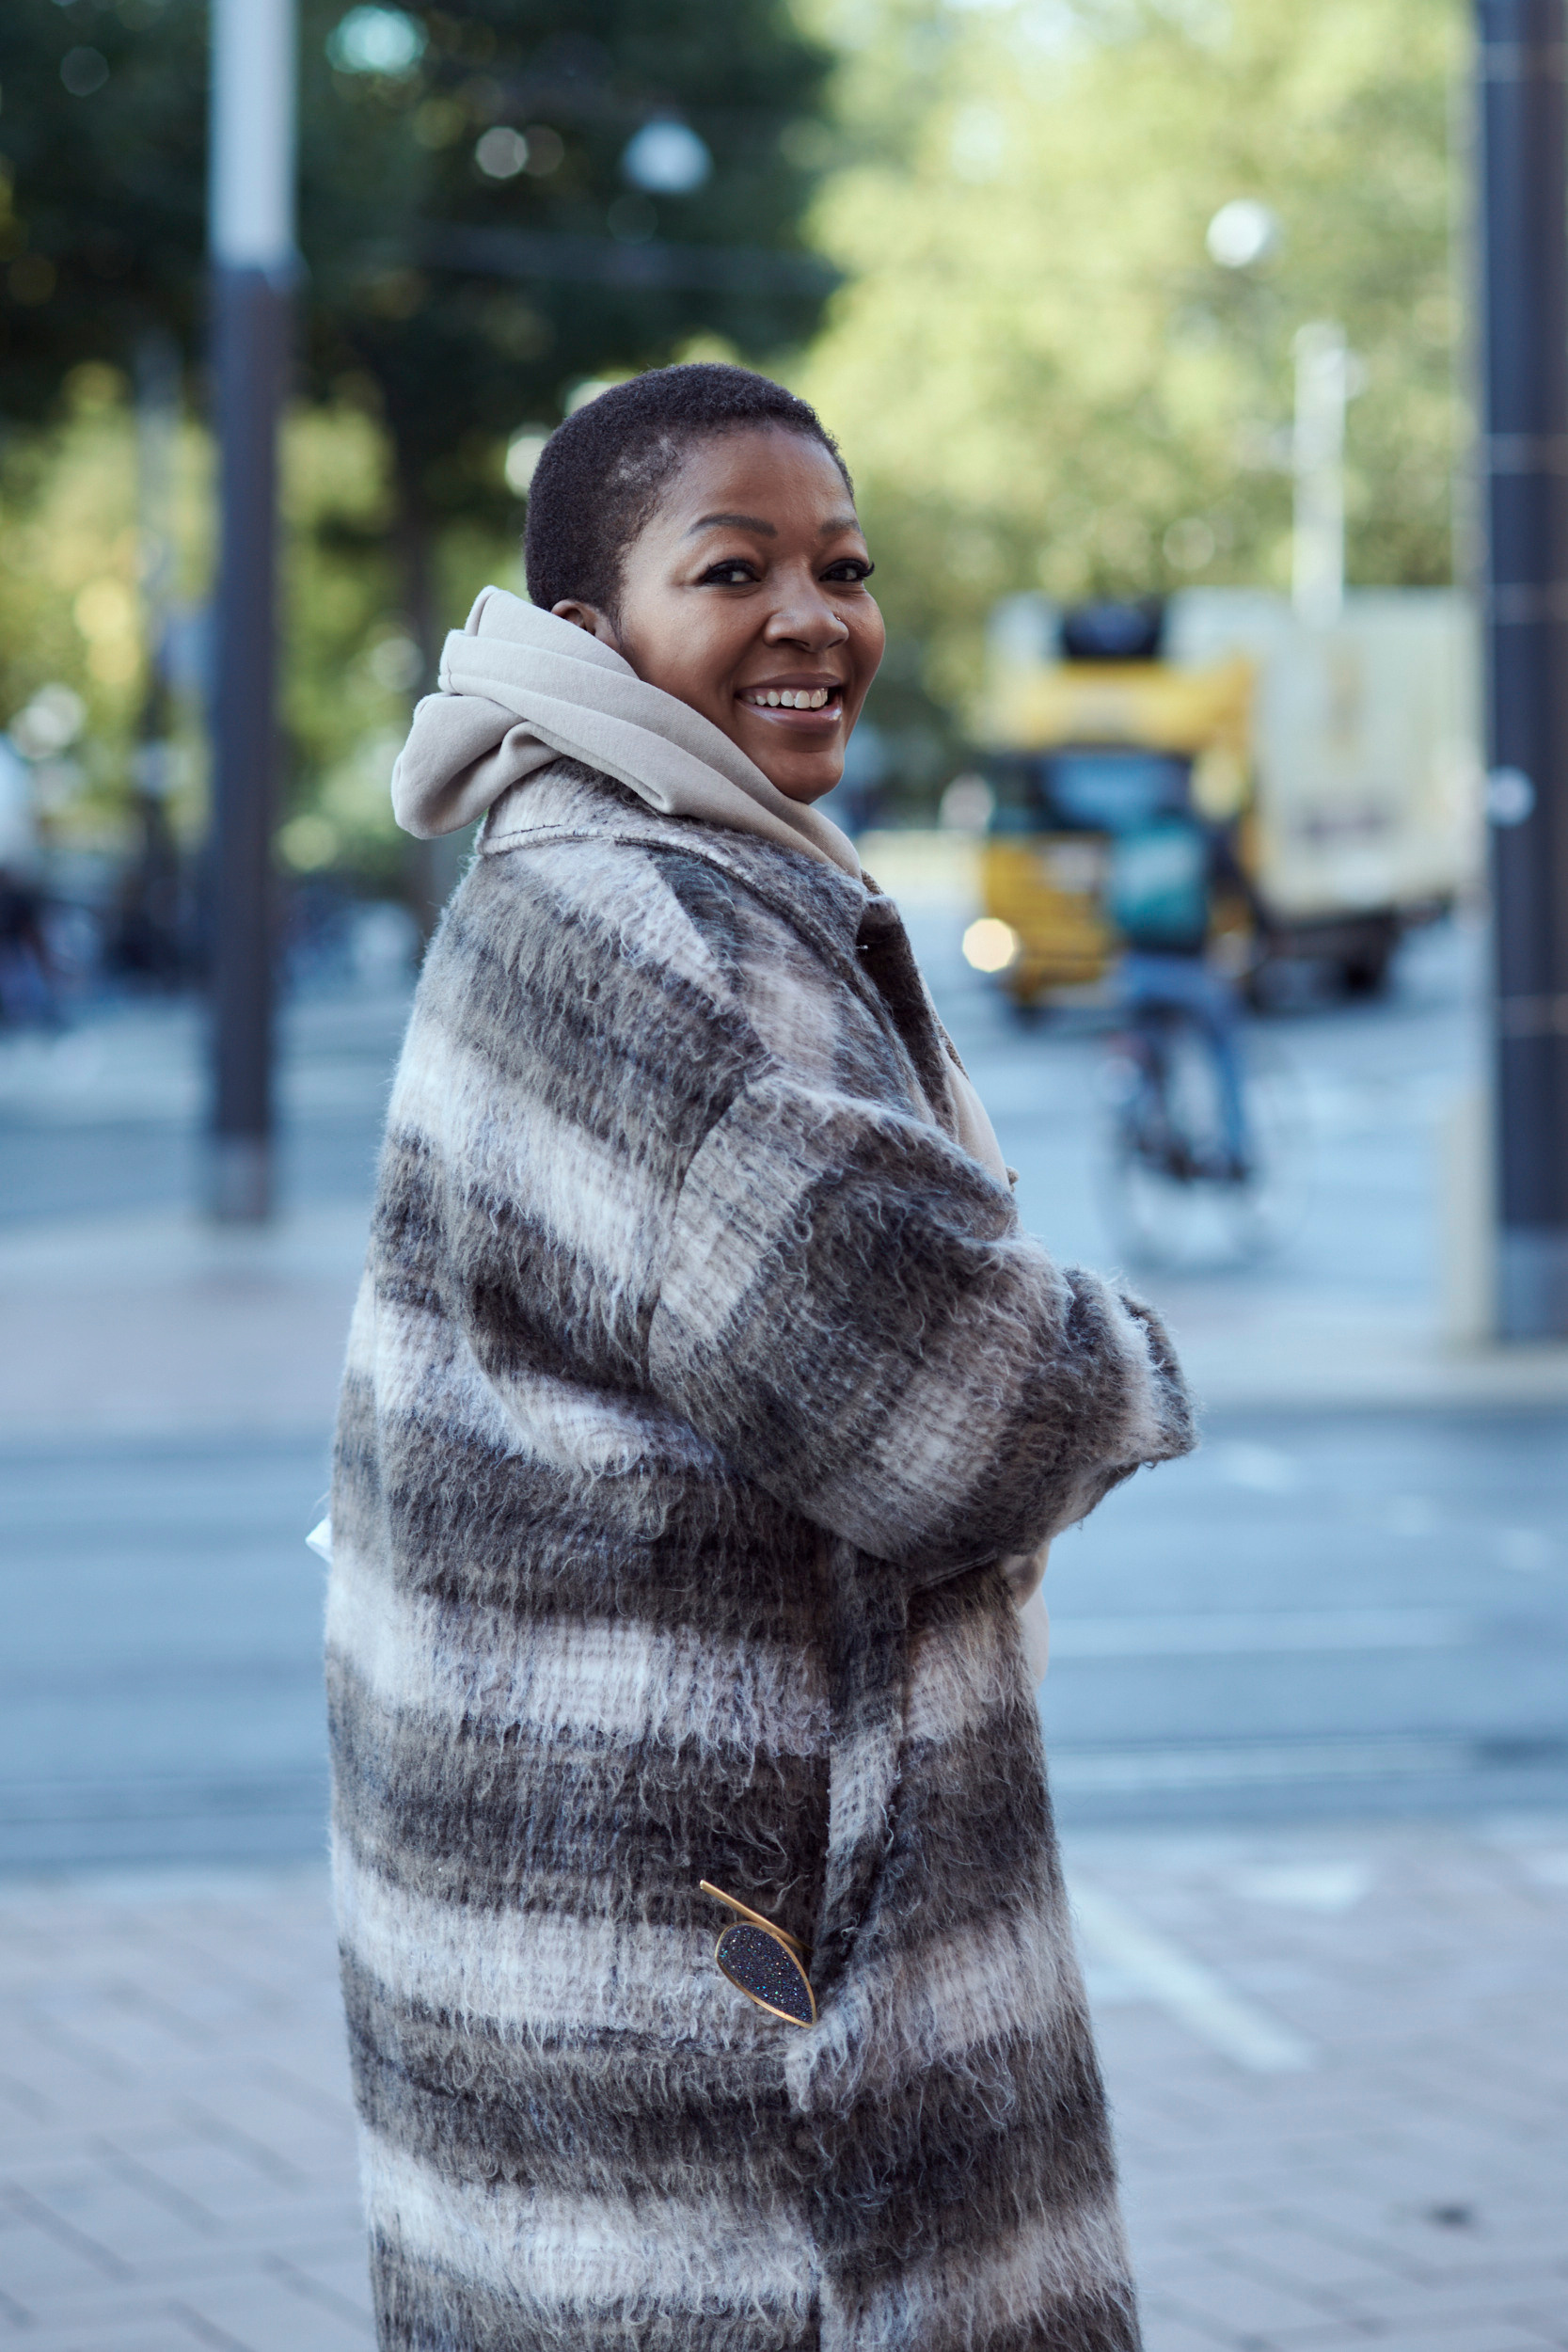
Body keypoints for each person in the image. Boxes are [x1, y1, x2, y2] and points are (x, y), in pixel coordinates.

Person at [327, 362, 1195, 2352]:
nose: (813, 617)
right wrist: (1124, 1357)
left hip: (600, 1913)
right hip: (735, 1974)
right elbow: (940, 1401)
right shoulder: (657, 920)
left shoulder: (590, 867)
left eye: (842, 564)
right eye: (733, 568)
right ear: (591, 630)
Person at [1107, 797, 1260, 1179]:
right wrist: (1271, 935)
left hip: (1136, 969)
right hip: (1187, 968)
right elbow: (1243, 892)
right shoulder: (1202, 838)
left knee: (1149, 1042)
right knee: (1225, 1042)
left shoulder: (1132, 839)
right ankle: (1235, 1150)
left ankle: (1149, 1122)